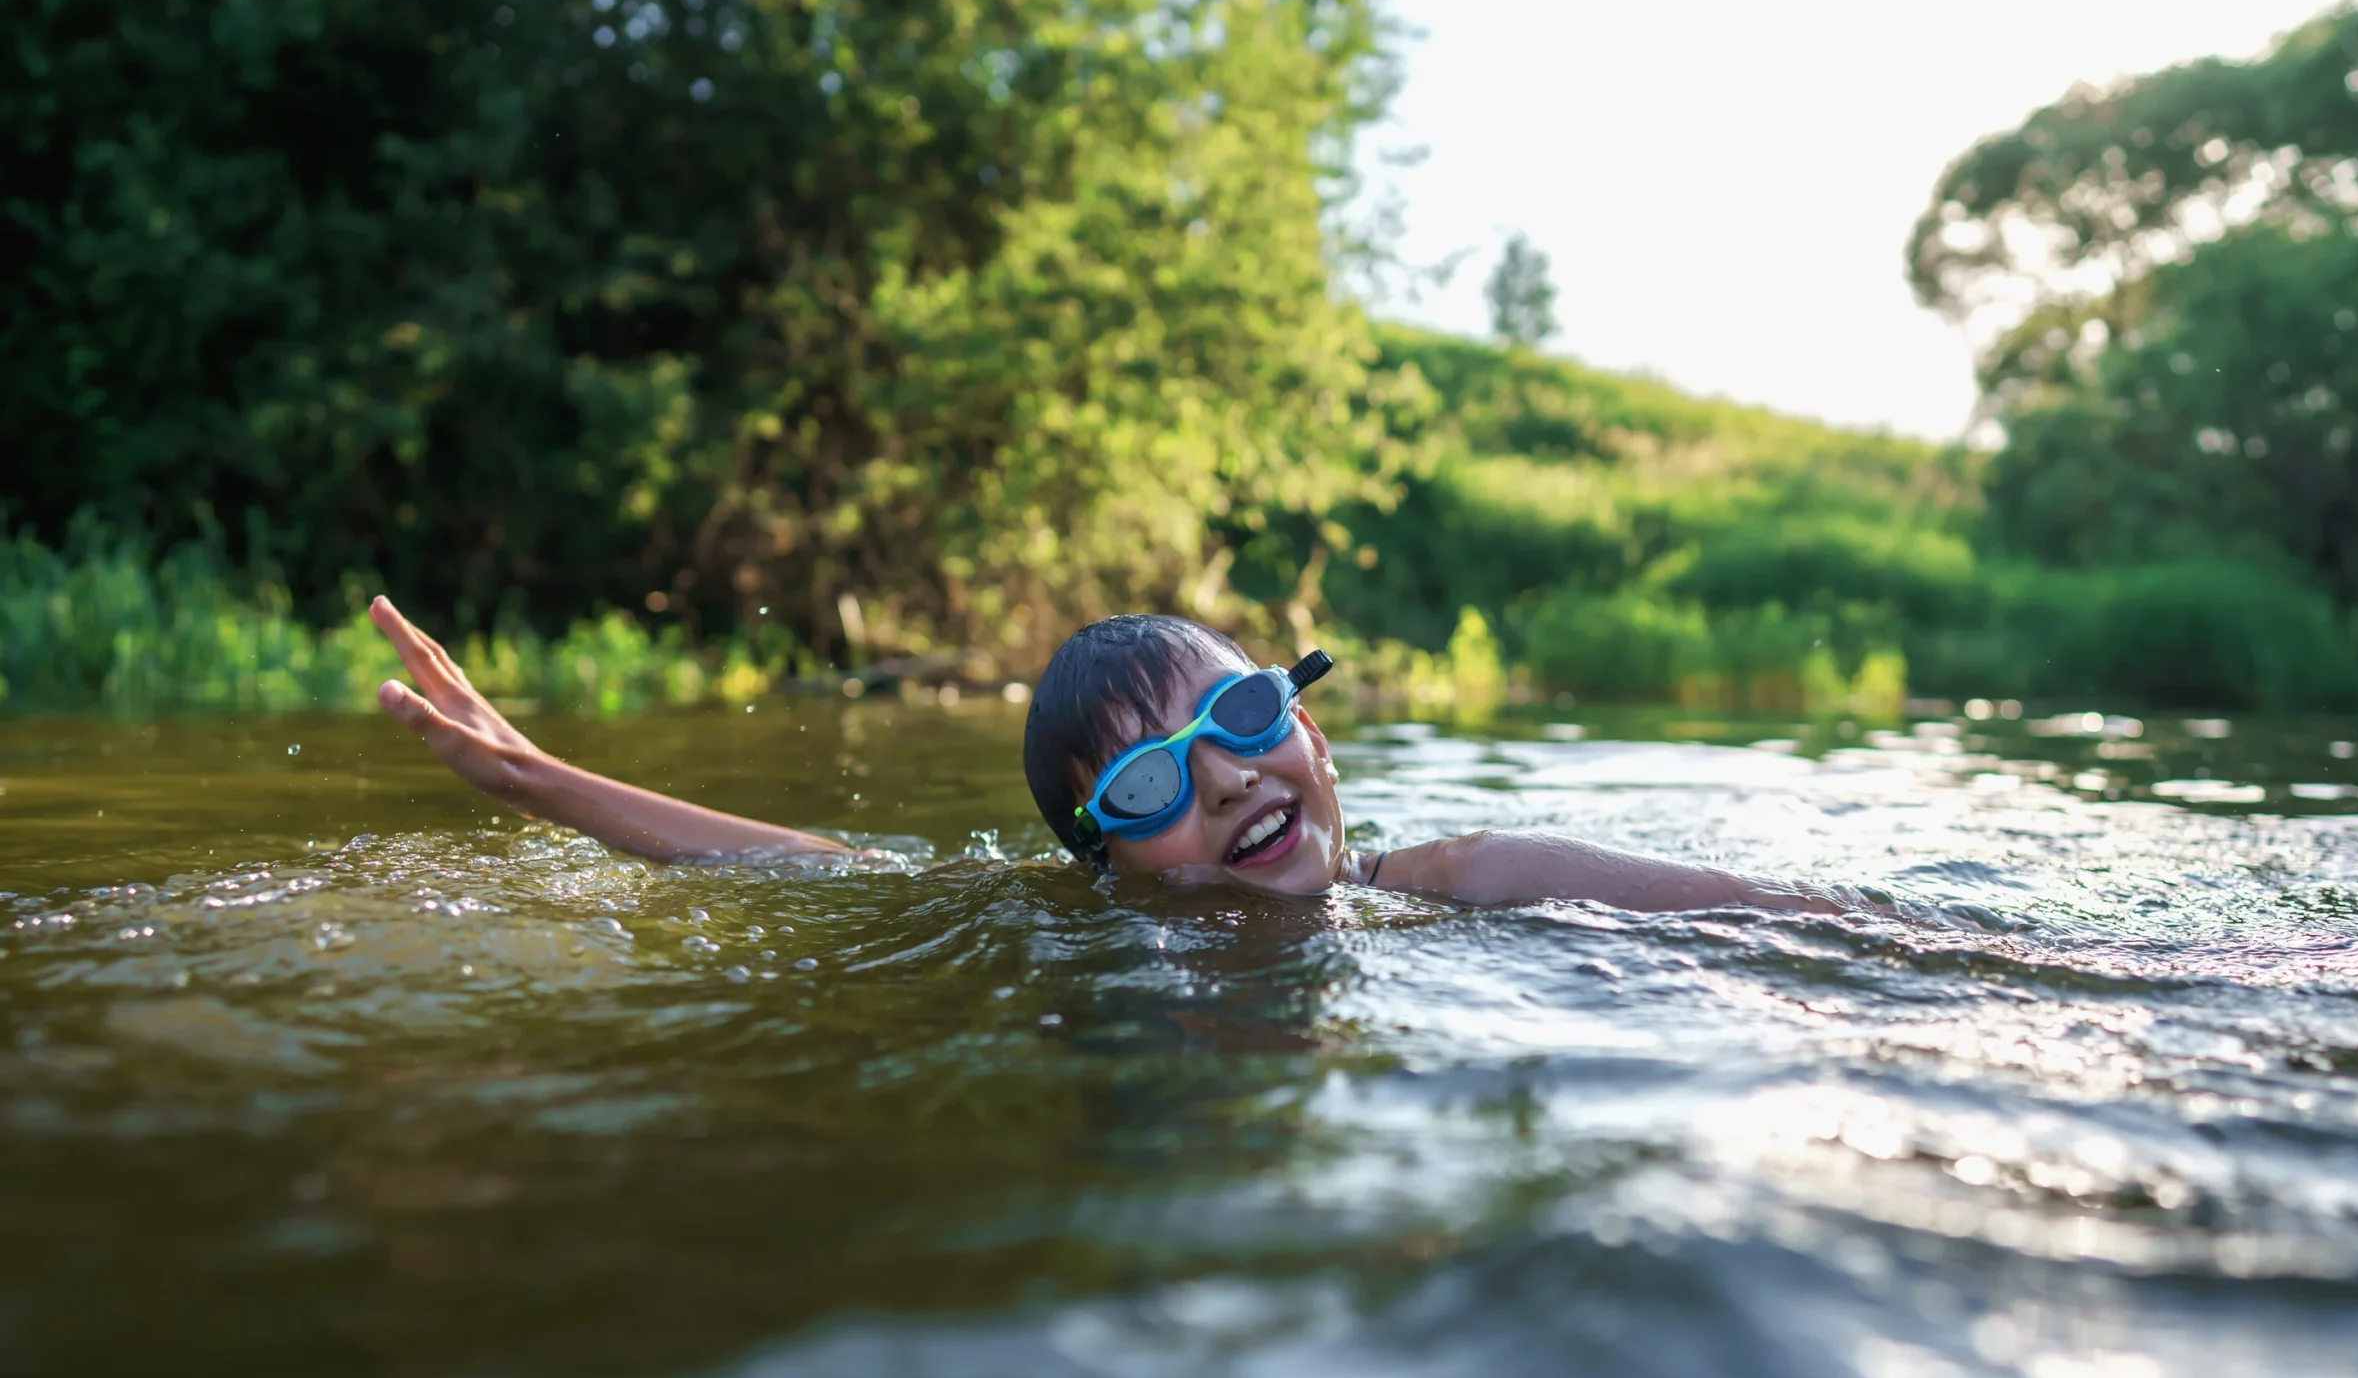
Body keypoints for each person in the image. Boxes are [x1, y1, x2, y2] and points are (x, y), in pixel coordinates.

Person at [372, 597, 1842, 914]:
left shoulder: (1462, 879)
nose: (1226, 781)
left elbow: (1805, 918)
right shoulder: (1086, 919)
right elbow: (821, 866)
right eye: (1148, 787)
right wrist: (535, 779)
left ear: (1310, 725)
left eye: (1244, 719)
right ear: (1102, 857)